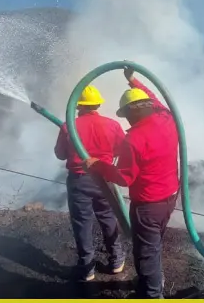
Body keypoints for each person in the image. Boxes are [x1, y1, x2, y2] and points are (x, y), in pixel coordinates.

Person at [85, 70, 180, 299]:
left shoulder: (134, 139)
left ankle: (152, 294)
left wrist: (99, 164)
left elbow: (124, 178)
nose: (125, 119)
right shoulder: (167, 118)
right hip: (170, 197)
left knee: (146, 252)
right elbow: (154, 97)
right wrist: (133, 81)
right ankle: (154, 280)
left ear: (130, 113)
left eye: (125, 114)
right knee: (154, 244)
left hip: (147, 205)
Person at [54, 84, 126, 281]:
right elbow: (122, 149)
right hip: (105, 178)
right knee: (108, 217)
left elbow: (60, 154)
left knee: (82, 223)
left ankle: (87, 268)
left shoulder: (69, 126)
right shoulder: (112, 124)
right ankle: (117, 260)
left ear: (79, 106)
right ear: (97, 104)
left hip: (79, 181)